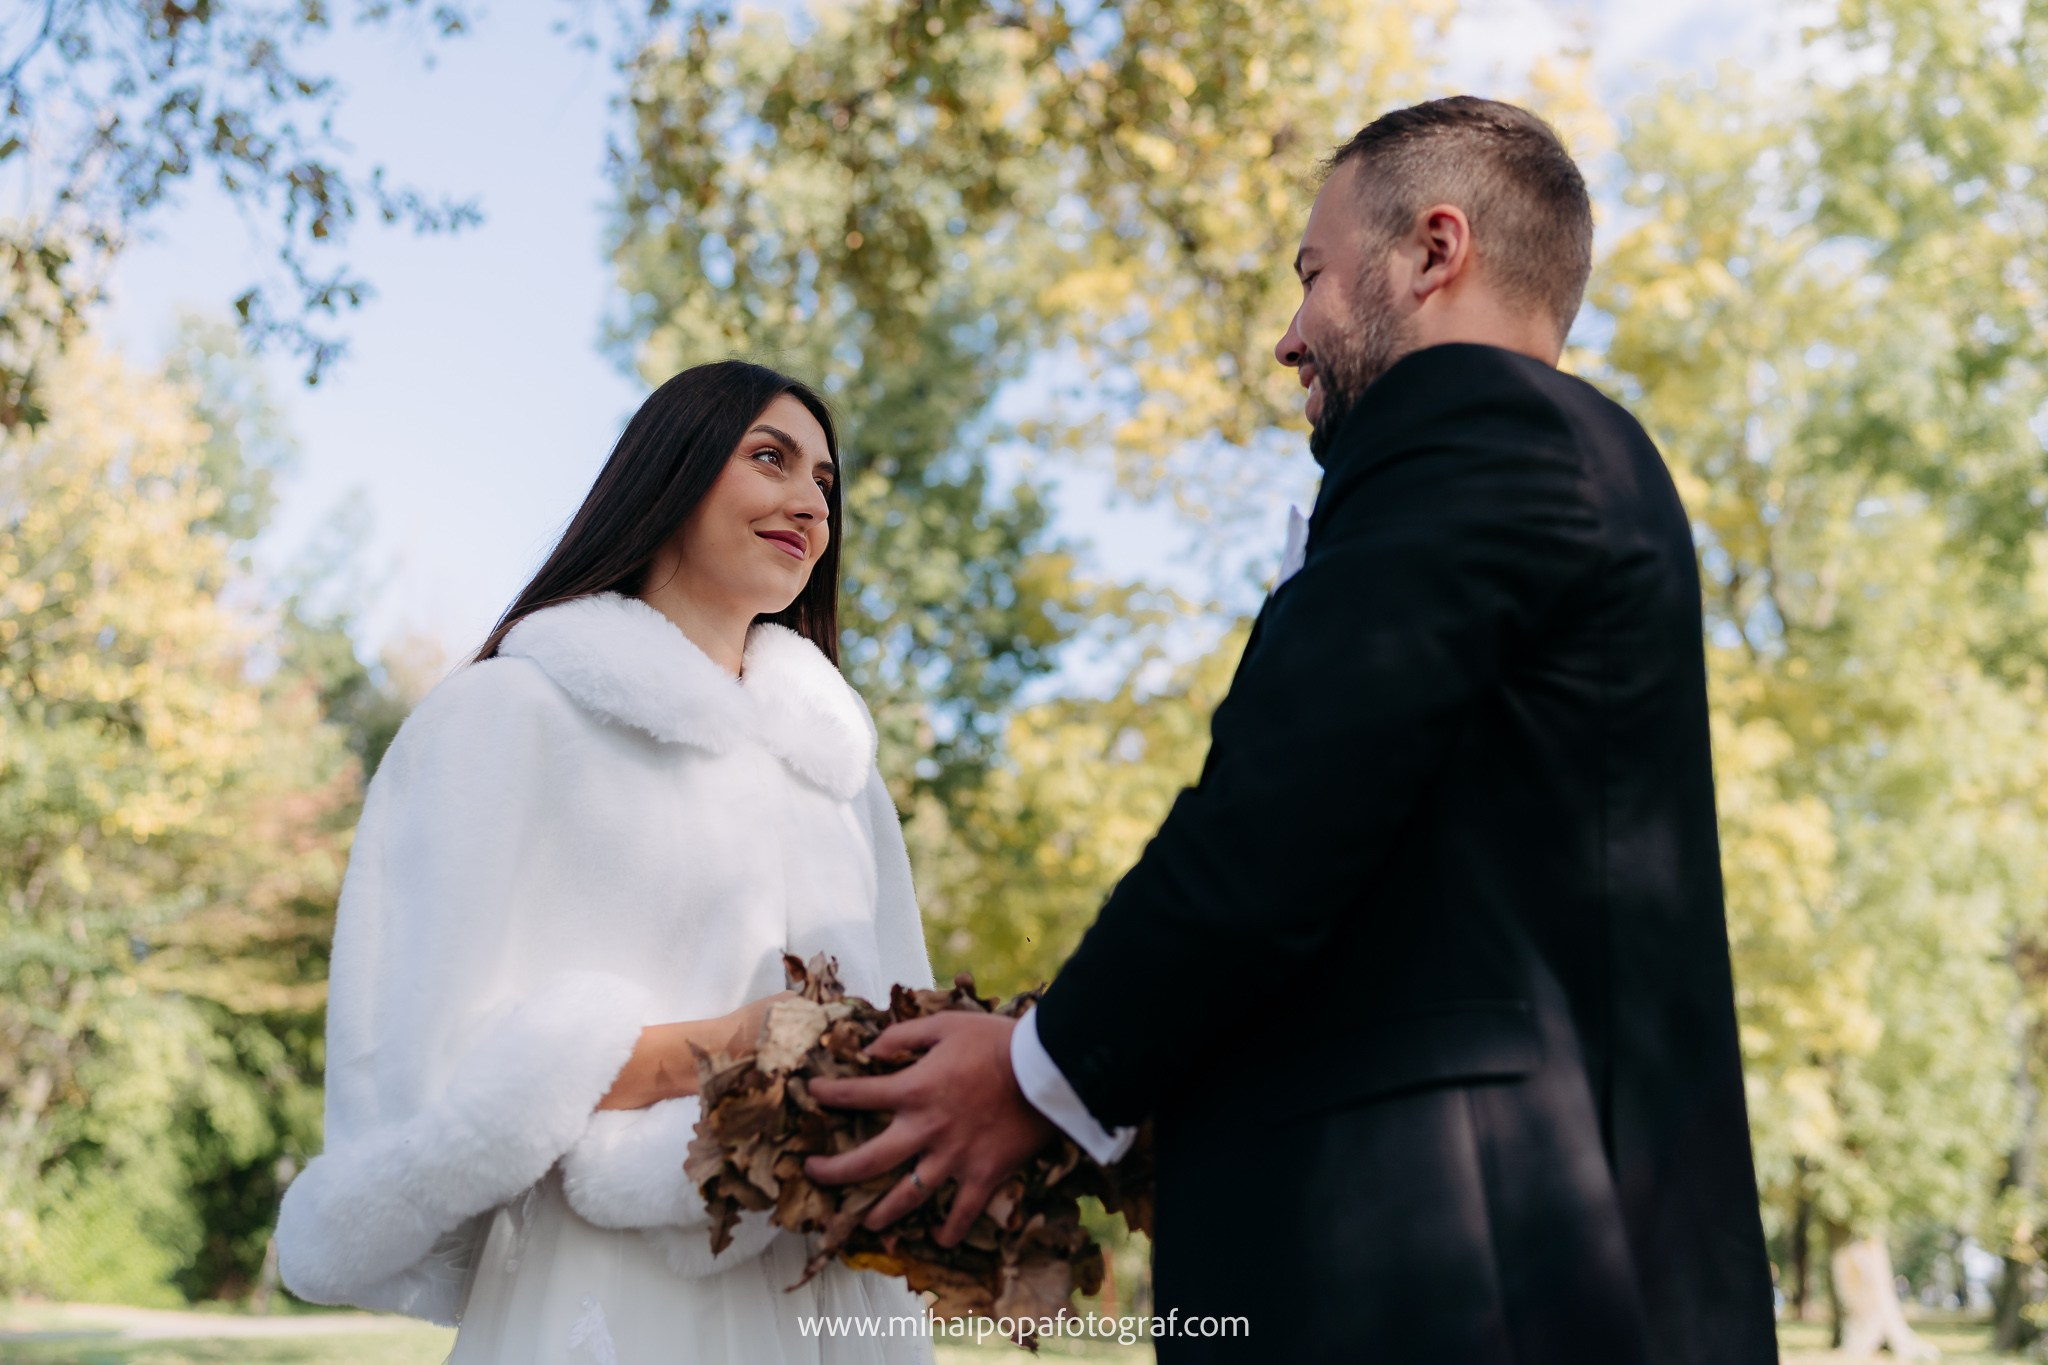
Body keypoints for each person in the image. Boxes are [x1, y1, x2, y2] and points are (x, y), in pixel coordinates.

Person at [800, 97, 1780, 1363]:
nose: (1287, 336)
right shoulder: (1565, 461)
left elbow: (1285, 810)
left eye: (1311, 276)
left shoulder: (1479, 426)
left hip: (1458, 1273)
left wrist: (1043, 1072)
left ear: (1434, 251)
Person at [275, 361, 936, 1365]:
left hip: (833, 1294)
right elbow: (430, 1072)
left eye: (826, 484)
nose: (809, 501)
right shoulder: (506, 717)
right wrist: (733, 1044)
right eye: (771, 459)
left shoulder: (840, 769)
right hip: (612, 1288)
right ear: (669, 476)